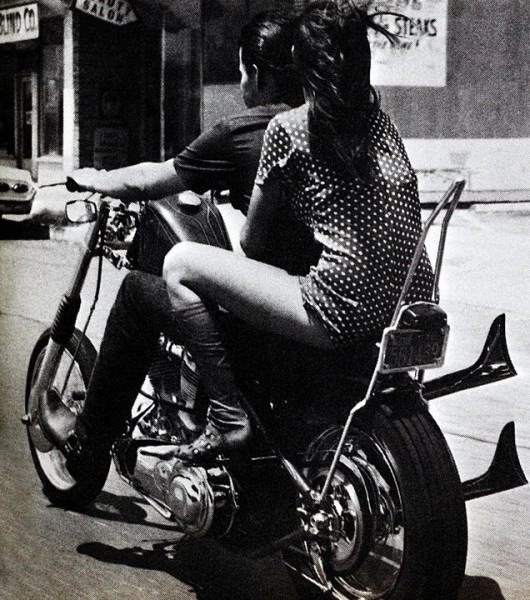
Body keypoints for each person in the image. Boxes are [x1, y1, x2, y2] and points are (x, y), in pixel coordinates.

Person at [40, 10, 315, 474]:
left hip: (275, 316)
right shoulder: (323, 124)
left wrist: (97, 178)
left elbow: (153, 178)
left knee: (136, 293)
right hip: (313, 304)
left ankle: (88, 445)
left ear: (257, 73)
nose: (241, 82)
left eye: (241, 71)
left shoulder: (245, 132)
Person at [157, 0, 435, 459]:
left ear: (300, 64)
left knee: (180, 264)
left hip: (342, 308)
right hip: (413, 300)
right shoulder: (382, 125)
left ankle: (227, 416)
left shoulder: (288, 128)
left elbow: (251, 243)